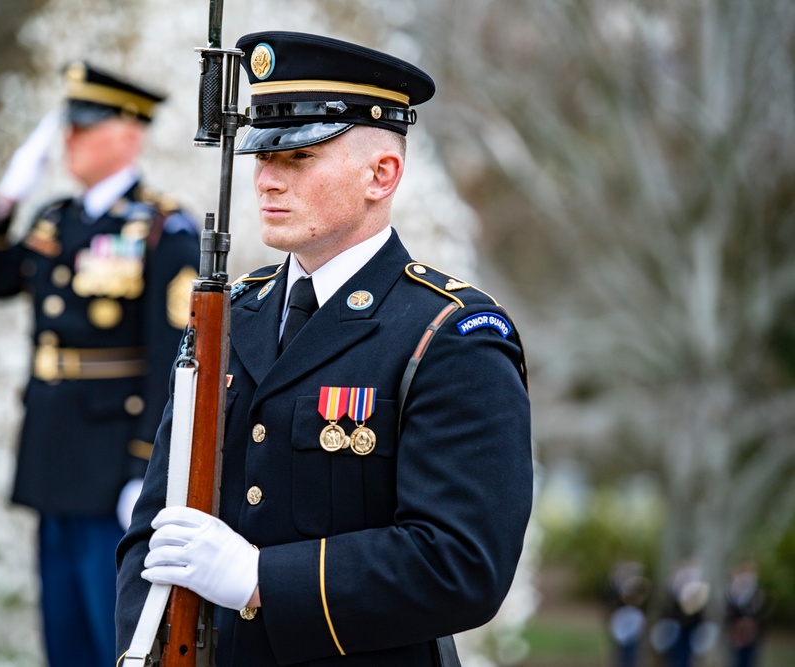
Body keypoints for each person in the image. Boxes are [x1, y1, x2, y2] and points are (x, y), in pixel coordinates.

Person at [114, 31, 533, 667]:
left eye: (298, 159)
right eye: (262, 158)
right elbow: (155, 532)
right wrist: (140, 653)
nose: (267, 181)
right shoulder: (229, 317)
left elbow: (461, 563)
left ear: (381, 174)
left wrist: (263, 579)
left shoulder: (448, 334)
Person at [0, 61, 200, 666]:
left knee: (110, 634)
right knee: (61, 635)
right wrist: (8, 197)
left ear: (127, 132)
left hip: (114, 459)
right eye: (69, 127)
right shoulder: (54, 220)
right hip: (53, 451)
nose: (69, 141)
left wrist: (147, 468)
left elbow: (172, 359)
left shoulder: (163, 229)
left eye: (84, 128)